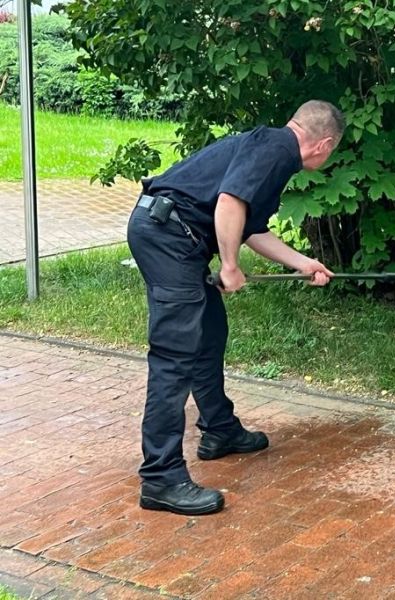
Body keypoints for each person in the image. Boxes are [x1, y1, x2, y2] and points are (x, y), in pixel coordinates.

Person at [127, 100, 343, 515]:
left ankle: (220, 430)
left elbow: (249, 228)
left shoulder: (271, 146)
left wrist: (302, 262)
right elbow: (229, 203)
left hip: (171, 234)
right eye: (331, 151)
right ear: (325, 144)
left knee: (208, 333)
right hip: (169, 236)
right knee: (175, 356)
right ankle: (161, 478)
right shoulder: (278, 150)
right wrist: (228, 266)